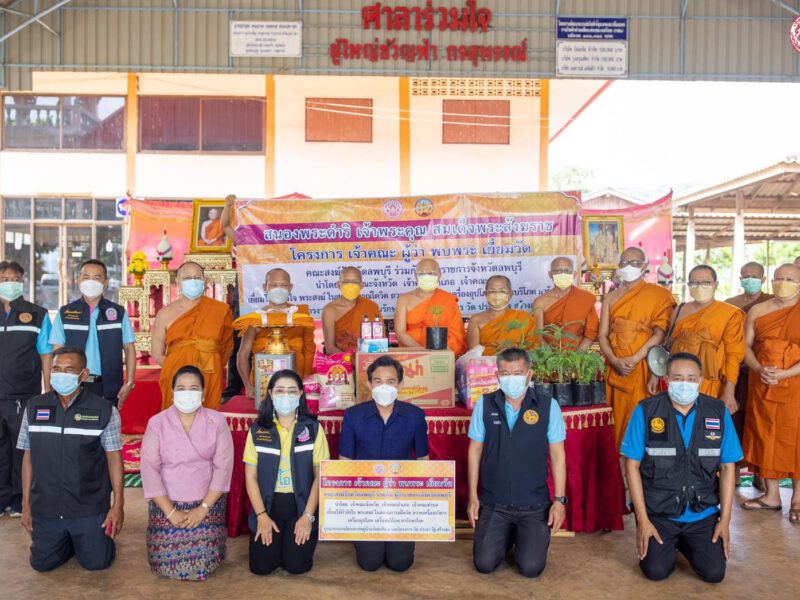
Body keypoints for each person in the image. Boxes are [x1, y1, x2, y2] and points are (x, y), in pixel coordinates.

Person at [622, 352, 741, 583]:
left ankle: (687, 543)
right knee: (655, 571)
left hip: (701, 513)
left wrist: (724, 521)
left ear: (700, 380)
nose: (683, 384)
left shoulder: (717, 411)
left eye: (690, 378)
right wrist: (643, 522)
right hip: (660, 513)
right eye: (677, 378)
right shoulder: (646, 411)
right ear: (666, 379)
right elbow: (632, 466)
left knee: (714, 573)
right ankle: (669, 544)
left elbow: (728, 468)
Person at [18, 346, 124, 572]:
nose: (61, 375)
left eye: (69, 370)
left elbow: (114, 458)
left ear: (83, 375)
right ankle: (68, 541)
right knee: (42, 564)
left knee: (97, 562)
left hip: (88, 507)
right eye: (56, 369)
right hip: (46, 506)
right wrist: (26, 505)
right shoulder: (34, 407)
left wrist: (118, 505)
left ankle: (87, 540)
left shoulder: (104, 410)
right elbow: (28, 456)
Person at [467, 347, 567, 578]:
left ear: (529, 375)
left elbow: (558, 455)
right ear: (497, 376)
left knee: (531, 568)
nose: (512, 379)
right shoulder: (484, 405)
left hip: (533, 506)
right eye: (505, 373)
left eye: (518, 373)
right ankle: (506, 535)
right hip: (494, 504)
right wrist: (473, 497)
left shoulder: (548, 406)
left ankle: (523, 535)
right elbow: (475, 450)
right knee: (484, 563)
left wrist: (559, 501)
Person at [140, 365, 233, 581]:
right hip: (167, 503)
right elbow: (150, 470)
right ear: (172, 392)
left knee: (203, 563)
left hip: (207, 502)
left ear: (202, 392)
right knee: (165, 564)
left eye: (193, 388)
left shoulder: (217, 422)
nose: (187, 393)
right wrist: (171, 512)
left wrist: (203, 509)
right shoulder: (157, 423)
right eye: (181, 388)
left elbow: (223, 468)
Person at [339, 355, 428, 572]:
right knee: (370, 563)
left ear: (400, 384)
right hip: (366, 499)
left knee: (400, 563)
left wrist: (420, 502)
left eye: (391, 382)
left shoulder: (415, 416)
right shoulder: (353, 416)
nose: (384, 387)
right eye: (378, 381)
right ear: (369, 384)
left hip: (400, 498)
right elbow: (344, 461)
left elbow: (423, 460)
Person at [243, 369, 329, 575]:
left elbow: (320, 476)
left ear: (300, 394)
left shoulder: (313, 429)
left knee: (296, 566)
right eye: (280, 390)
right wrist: (261, 515)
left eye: (292, 390)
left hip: (300, 506)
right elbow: (250, 477)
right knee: (261, 567)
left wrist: (308, 516)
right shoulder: (258, 430)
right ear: (271, 394)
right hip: (268, 505)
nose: (286, 395)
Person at [598, 247, 675, 448]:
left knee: (643, 422)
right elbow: (602, 335)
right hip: (616, 369)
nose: (629, 267)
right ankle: (621, 473)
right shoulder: (611, 297)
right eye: (624, 263)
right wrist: (615, 360)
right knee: (617, 424)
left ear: (645, 266)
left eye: (634, 263)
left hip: (644, 366)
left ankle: (642, 472)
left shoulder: (660, 294)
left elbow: (660, 334)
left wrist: (634, 359)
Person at [741, 262, 800, 522]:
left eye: (789, 278)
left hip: (796, 383)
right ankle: (772, 495)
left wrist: (787, 373)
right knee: (765, 434)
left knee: (795, 437)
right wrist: (758, 368)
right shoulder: (758, 310)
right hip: (763, 383)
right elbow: (744, 347)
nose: (782, 282)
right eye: (778, 278)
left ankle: (798, 498)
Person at [648, 265, 745, 415]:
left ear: (716, 285)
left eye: (706, 282)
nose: (699, 286)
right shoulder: (679, 310)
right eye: (694, 283)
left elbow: (733, 356)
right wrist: (655, 375)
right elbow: (667, 347)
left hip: (709, 381)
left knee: (706, 428)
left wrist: (729, 392)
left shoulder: (729, 314)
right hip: (678, 381)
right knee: (676, 424)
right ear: (688, 285)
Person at [0, 261, 52, 518]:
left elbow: (45, 355)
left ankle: (21, 499)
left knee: (21, 448)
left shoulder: (37, 314)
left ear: (22, 281)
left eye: (14, 278)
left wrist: (48, 390)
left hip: (23, 395)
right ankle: (2, 499)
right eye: (4, 277)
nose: (9, 282)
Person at [50, 259, 136, 408]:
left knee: (106, 428)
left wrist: (129, 382)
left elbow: (129, 349)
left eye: (97, 278)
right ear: (78, 280)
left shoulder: (118, 313)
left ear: (106, 282)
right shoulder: (65, 313)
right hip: (73, 384)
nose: (91, 282)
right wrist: (58, 383)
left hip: (109, 387)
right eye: (86, 277)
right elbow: (57, 353)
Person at [151, 261, 234, 410]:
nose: (193, 281)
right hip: (177, 375)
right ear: (178, 281)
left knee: (208, 418)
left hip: (210, 371)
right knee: (176, 419)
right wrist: (178, 369)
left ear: (204, 280)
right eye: (188, 278)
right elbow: (157, 353)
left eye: (197, 277)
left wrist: (212, 361)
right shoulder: (165, 314)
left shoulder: (219, 310)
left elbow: (226, 347)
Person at [236, 268, 316, 392]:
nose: (279, 289)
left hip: (295, 382)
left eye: (284, 285)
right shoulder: (255, 320)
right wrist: (247, 385)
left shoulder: (301, 317)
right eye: (274, 285)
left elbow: (309, 349)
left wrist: (305, 380)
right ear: (265, 287)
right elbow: (242, 355)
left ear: (290, 288)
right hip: (262, 384)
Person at [725, 261, 773, 454]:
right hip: (734, 367)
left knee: (760, 418)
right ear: (740, 279)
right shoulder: (730, 304)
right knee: (734, 417)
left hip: (760, 366)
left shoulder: (771, 303)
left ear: (763, 279)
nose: (749, 280)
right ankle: (734, 466)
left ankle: (759, 471)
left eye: (754, 276)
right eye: (746, 276)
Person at [395, 258, 467, 356]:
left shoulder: (448, 300)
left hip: (441, 356)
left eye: (431, 273)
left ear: (439, 275)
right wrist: (424, 353)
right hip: (411, 355)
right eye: (422, 273)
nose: (427, 277)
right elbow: (400, 334)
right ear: (415, 275)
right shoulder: (404, 299)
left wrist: (438, 355)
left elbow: (456, 334)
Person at [532, 257, 599, 350]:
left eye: (567, 271)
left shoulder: (586, 298)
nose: (563, 274)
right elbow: (537, 335)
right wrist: (551, 358)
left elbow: (591, 333)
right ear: (550, 274)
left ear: (574, 274)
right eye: (558, 271)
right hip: (548, 357)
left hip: (579, 357)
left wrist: (577, 357)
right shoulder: (540, 302)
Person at [466, 275, 535, 355]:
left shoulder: (525, 317)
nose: (497, 295)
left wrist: (512, 348)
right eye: (492, 291)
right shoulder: (476, 319)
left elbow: (532, 349)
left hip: (516, 364)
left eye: (502, 291)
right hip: (486, 365)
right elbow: (473, 354)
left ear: (510, 294)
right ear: (485, 294)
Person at [321, 266, 383, 354]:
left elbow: (379, 342)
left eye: (355, 282)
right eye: (346, 282)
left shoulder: (372, 306)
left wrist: (364, 361)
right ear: (339, 284)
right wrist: (351, 361)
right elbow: (330, 348)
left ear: (362, 285)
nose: (350, 285)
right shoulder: (329, 310)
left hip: (368, 359)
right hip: (341, 362)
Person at [220, 193, 244, 400]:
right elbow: (226, 226)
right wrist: (228, 206)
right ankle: (234, 386)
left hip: (270, 292)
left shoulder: (277, 242)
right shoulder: (247, 238)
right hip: (244, 290)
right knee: (238, 338)